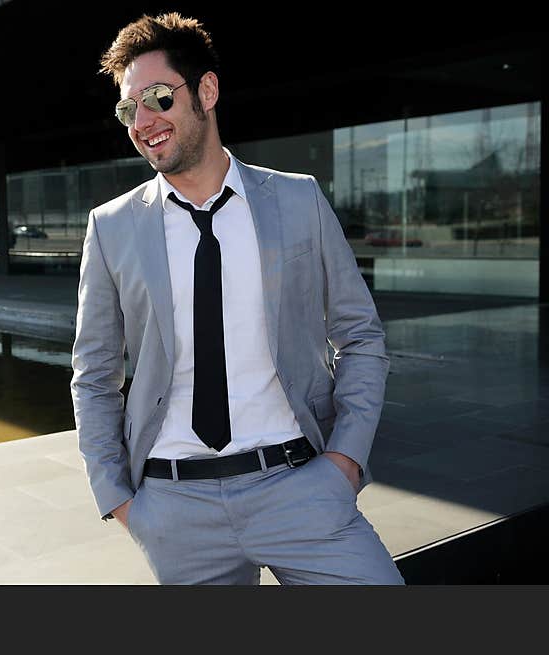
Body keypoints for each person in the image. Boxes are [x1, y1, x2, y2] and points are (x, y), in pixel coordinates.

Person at [70, 12, 404, 585]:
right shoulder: (111, 227)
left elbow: (359, 335)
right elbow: (94, 372)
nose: (143, 121)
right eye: (129, 109)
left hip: (299, 487)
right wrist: (119, 498)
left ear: (206, 90)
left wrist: (344, 461)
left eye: (157, 97)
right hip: (175, 509)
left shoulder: (298, 200)